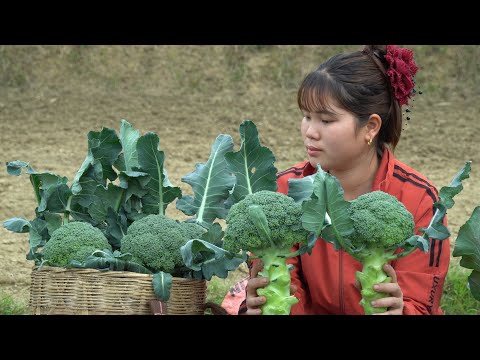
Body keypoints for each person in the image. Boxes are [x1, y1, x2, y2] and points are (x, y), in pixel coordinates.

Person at [223, 45, 450, 315]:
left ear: (371, 127)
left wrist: (402, 311)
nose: (310, 132)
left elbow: (422, 302)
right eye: (306, 116)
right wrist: (261, 306)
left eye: (326, 121)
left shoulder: (420, 198)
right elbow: (286, 293)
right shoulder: (284, 192)